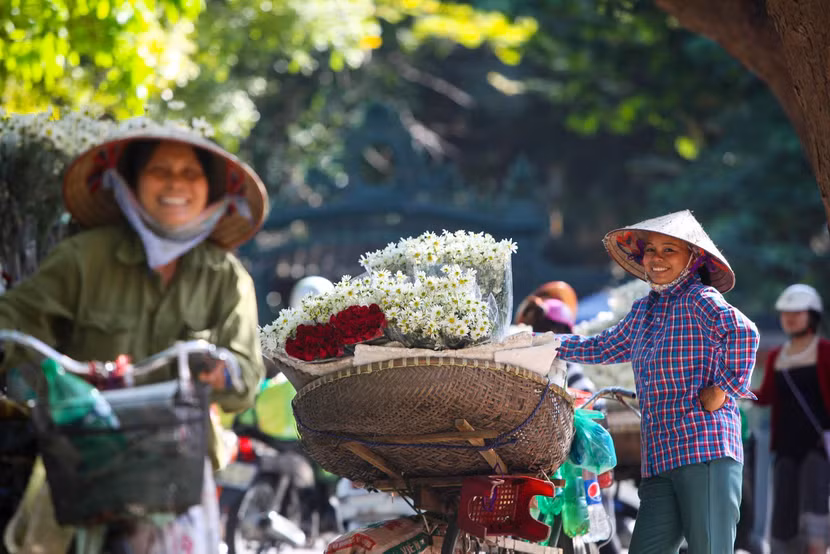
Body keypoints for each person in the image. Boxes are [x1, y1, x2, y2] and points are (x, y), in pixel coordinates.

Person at [0, 121, 268, 553]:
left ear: (211, 189)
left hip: (179, 464)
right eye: (160, 170)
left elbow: (247, 378)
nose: (176, 183)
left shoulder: (226, 278)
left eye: (191, 173)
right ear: (131, 182)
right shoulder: (83, 258)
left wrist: (225, 372)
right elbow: (16, 317)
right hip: (83, 452)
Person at [554, 210, 759, 554]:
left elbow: (744, 332)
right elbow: (599, 346)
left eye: (669, 250)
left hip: (704, 450)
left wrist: (722, 390)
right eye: (650, 250)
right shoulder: (644, 311)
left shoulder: (700, 299)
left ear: (693, 259)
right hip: (660, 457)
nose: (656, 258)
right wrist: (543, 343)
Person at [753, 283, 830, 554]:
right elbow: (766, 396)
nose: (790, 318)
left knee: (815, 511)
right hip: (785, 447)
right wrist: (735, 391)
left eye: (797, 312)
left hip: (817, 446)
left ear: (812, 316)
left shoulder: (824, 351)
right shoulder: (778, 355)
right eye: (786, 313)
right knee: (783, 513)